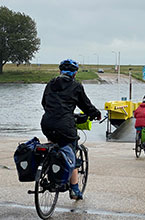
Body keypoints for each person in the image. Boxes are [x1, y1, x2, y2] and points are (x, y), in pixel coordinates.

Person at [40, 59, 101, 200]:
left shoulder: (50, 83)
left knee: (53, 145)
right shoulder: (76, 86)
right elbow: (86, 105)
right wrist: (96, 114)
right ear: (74, 73)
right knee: (71, 153)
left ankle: (50, 174)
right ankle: (74, 189)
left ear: (60, 71)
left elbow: (44, 102)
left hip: (47, 123)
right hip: (65, 126)